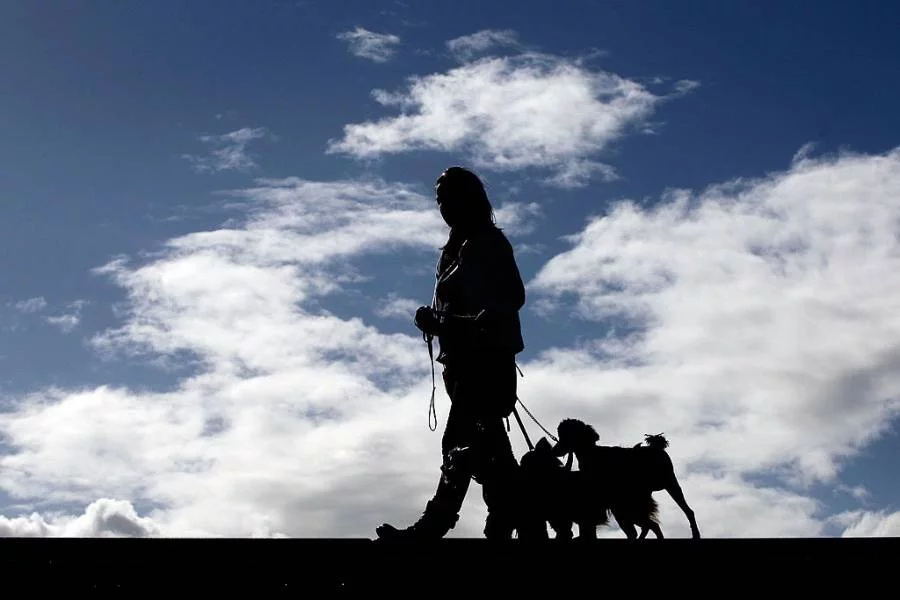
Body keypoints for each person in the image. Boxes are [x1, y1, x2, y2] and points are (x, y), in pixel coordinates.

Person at [375, 166, 527, 541]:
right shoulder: (456, 249)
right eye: (439, 200)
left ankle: (434, 525)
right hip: (461, 365)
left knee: (458, 444)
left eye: (450, 197)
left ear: (470, 197)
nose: (443, 206)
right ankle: (515, 518)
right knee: (491, 453)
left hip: (485, 363)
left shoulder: (487, 243)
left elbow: (510, 298)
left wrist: (450, 323)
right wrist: (438, 321)